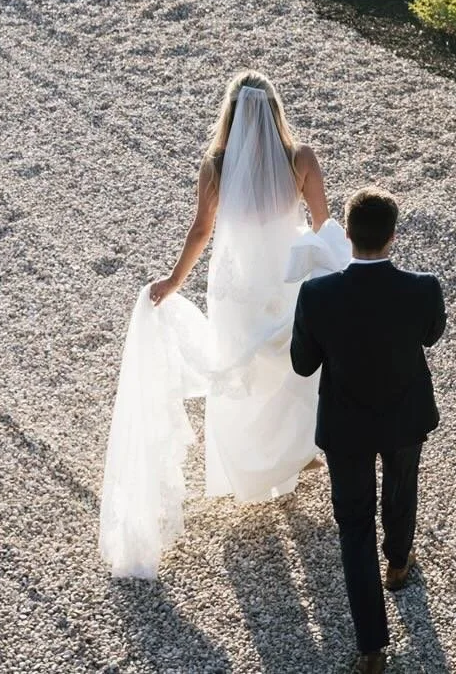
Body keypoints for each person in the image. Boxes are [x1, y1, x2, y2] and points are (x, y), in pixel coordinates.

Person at [99, 71, 349, 579]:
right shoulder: (300, 158)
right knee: (296, 364)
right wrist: (339, 272)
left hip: (237, 290)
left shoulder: (216, 166)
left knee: (243, 370)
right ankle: (298, 451)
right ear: (275, 111)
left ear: (230, 116)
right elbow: (323, 225)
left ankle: (253, 462)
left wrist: (173, 281)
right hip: (287, 283)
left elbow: (201, 230)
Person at [291, 187, 446, 674]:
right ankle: (398, 563)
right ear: (392, 236)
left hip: (346, 423)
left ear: (348, 236)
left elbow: (302, 364)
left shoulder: (317, 295)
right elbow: (432, 335)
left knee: (354, 525)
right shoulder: (424, 288)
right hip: (405, 415)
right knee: (401, 490)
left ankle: (371, 647)